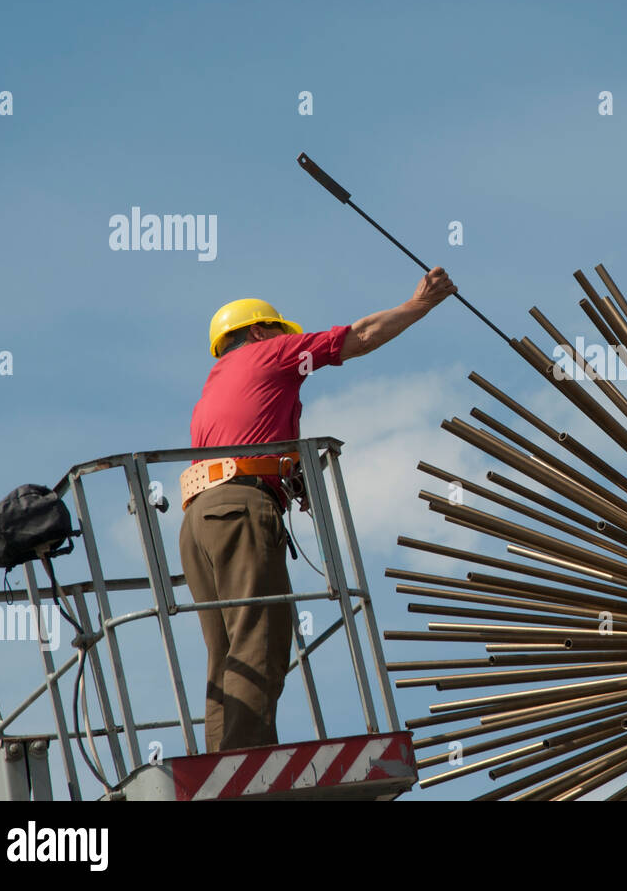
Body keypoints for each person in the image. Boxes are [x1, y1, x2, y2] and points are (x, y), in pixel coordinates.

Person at [177, 267, 457, 752]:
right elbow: (361, 337)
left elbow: (244, 444)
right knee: (260, 639)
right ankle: (248, 765)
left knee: (226, 653)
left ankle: (223, 765)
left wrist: (284, 470)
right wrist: (422, 304)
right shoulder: (271, 353)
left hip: (197, 521)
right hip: (240, 511)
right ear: (261, 331)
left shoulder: (213, 387)